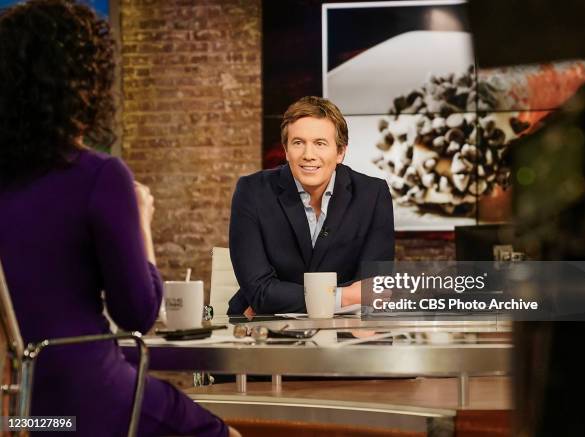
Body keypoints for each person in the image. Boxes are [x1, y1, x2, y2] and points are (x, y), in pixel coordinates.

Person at [0, 1, 239, 436]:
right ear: (86, 85)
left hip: (17, 413)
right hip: (83, 403)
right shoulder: (100, 176)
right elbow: (138, 313)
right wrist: (142, 217)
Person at [228, 96, 395, 316]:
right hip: (262, 329)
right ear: (286, 150)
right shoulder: (252, 191)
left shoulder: (373, 194)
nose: (308, 155)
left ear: (340, 152)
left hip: (347, 329)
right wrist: (344, 297)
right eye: (298, 143)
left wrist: (281, 298)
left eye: (320, 143)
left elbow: (374, 290)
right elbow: (260, 292)